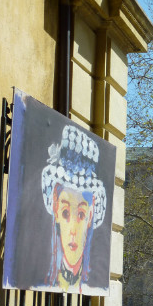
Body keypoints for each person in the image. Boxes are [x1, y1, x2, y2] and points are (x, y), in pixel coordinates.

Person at [41, 125, 107, 292]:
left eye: (81, 214)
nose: (73, 230)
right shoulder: (43, 274)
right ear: (56, 210)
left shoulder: (94, 282)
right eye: (65, 213)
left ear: (90, 216)